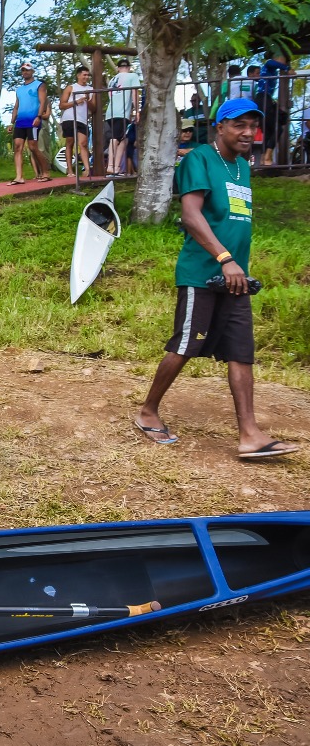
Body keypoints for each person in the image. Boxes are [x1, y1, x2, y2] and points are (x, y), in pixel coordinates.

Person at [135, 98, 298, 461]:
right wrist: (224, 258)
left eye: (253, 126)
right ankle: (148, 411)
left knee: (241, 352)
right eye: (239, 124)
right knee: (185, 345)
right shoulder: (199, 159)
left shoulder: (242, 166)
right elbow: (191, 215)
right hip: (203, 272)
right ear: (220, 127)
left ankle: (250, 434)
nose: (248, 132)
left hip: (236, 275)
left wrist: (235, 265)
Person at [8, 62, 49, 185]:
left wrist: (39, 116)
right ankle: (19, 176)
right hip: (20, 122)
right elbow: (16, 106)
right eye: (23, 70)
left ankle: (46, 172)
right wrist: (11, 122)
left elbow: (43, 102)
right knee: (17, 147)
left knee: (33, 147)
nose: (25, 72)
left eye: (27, 70)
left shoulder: (39, 85)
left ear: (32, 72)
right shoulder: (19, 89)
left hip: (33, 120)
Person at [255, 52, 292, 166]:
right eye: (283, 61)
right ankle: (267, 156)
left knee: (268, 130)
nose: (283, 63)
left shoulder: (272, 71)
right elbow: (270, 62)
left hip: (266, 99)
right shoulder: (269, 66)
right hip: (263, 98)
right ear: (279, 59)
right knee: (277, 129)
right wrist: (287, 68)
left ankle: (263, 159)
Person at [106, 58, 141, 176]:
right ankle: (111, 165)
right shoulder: (132, 76)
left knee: (123, 139)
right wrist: (137, 111)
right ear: (129, 68)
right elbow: (135, 93)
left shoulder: (112, 80)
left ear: (118, 68)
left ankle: (116, 167)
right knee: (115, 138)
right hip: (121, 112)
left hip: (111, 112)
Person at [58, 66, 93, 178]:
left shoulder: (91, 89)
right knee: (70, 142)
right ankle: (69, 169)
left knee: (83, 143)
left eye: (88, 75)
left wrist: (88, 99)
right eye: (84, 75)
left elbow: (94, 108)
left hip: (82, 119)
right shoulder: (71, 88)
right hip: (69, 118)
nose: (86, 77)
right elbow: (61, 105)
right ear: (78, 75)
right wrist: (76, 102)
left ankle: (87, 169)